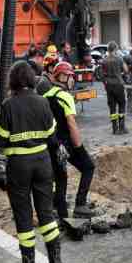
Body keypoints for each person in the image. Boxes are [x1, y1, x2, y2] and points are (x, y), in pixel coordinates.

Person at [0, 61, 62, 263]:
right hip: (43, 164)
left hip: (18, 167)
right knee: (46, 214)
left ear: (13, 80)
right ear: (32, 79)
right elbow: (52, 136)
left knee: (23, 214)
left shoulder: (8, 105)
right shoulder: (43, 102)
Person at [43, 61, 96, 219]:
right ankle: (80, 205)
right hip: (65, 144)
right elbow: (71, 124)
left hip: (50, 144)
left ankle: (62, 214)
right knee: (88, 167)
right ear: (63, 76)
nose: (73, 80)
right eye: (71, 76)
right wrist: (79, 147)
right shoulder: (65, 96)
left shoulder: (45, 96)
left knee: (60, 178)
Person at [102, 41, 129, 135]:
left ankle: (114, 129)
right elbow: (126, 70)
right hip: (118, 85)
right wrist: (121, 73)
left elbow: (102, 75)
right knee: (122, 105)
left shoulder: (104, 60)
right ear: (115, 49)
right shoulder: (119, 59)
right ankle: (122, 128)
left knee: (112, 108)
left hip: (109, 86)